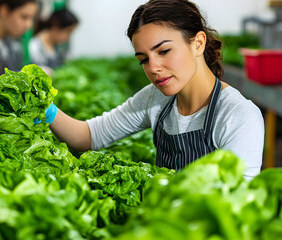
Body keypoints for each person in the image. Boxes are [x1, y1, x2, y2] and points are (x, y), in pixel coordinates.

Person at [39, 0, 265, 180]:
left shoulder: (239, 115)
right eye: (143, 59)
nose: (154, 68)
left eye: (164, 51)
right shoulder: (156, 98)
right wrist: (46, 107)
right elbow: (88, 136)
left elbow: (234, 203)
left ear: (198, 43)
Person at [29, 8, 78, 74]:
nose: (68, 38)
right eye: (67, 32)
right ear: (56, 27)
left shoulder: (57, 46)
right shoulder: (35, 46)